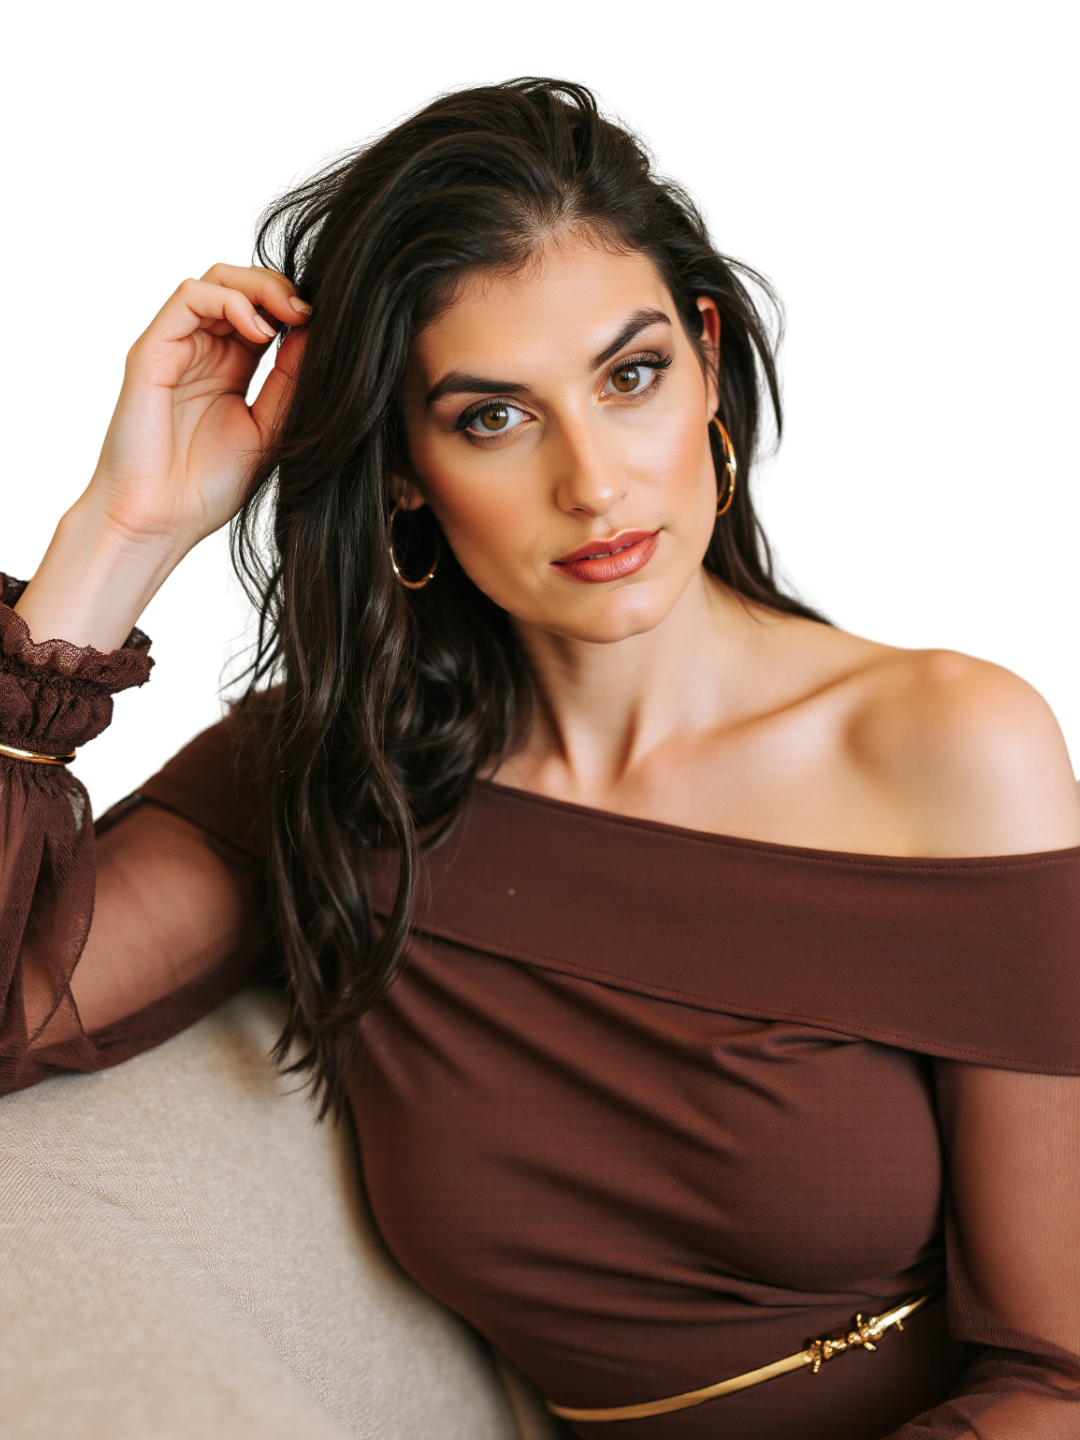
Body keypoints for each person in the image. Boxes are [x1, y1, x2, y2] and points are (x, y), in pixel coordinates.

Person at [2, 78, 1078, 1440]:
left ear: (705, 360)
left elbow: (1058, 1374)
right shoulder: (332, 777)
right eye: (491, 417)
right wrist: (120, 537)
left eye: (630, 377)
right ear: (403, 464)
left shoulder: (950, 749)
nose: (594, 483)